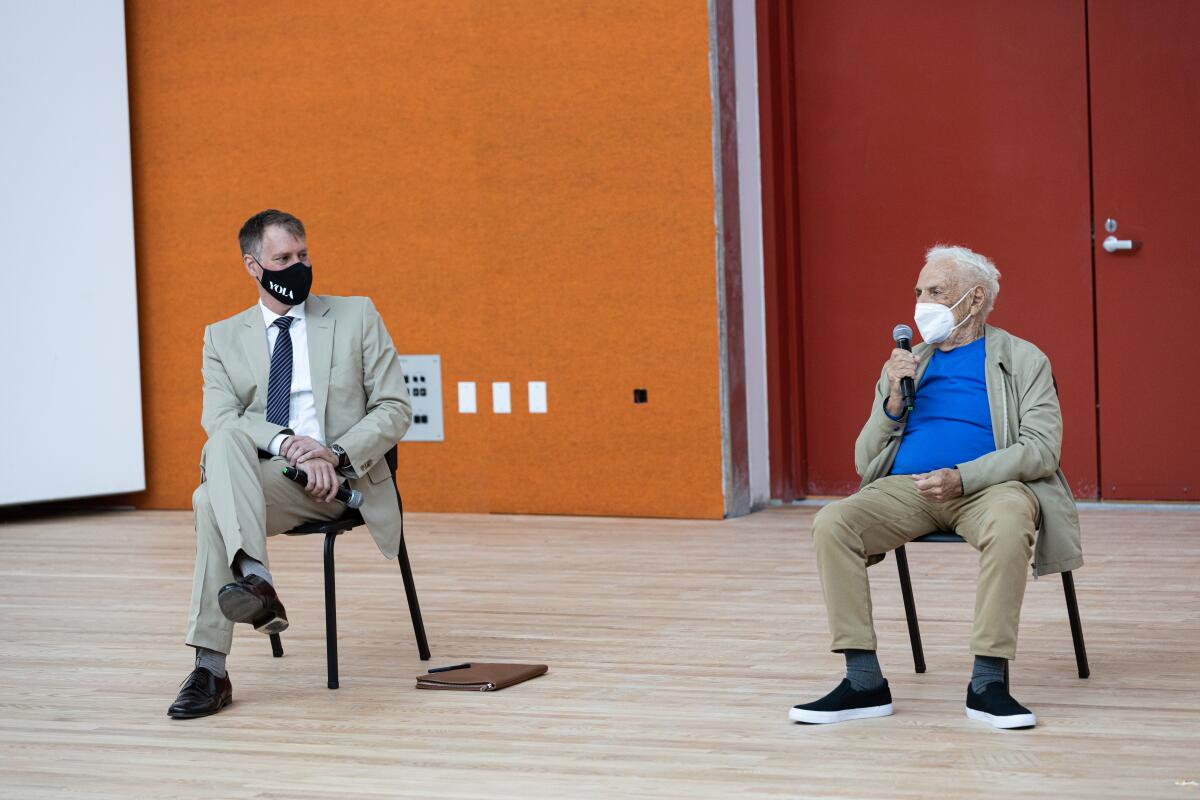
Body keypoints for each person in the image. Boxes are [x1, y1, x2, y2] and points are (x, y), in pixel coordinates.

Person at [790, 245, 1082, 730]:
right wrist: (889, 401)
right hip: (909, 489)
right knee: (834, 522)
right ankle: (863, 680)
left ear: (975, 299)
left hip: (990, 489)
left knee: (1012, 521)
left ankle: (988, 682)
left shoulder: (1023, 358)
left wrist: (963, 477)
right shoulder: (910, 363)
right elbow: (865, 460)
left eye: (935, 291)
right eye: (919, 292)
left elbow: (1041, 450)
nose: (921, 303)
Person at [168, 210, 412, 719]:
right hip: (266, 477)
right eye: (283, 259)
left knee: (206, 499)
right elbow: (220, 418)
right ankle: (255, 583)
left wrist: (333, 452)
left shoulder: (355, 315)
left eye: (303, 255)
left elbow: (395, 407)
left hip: (338, 482)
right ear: (253, 266)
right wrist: (286, 442)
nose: (297, 266)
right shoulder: (222, 337)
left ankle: (212, 665)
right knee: (224, 442)